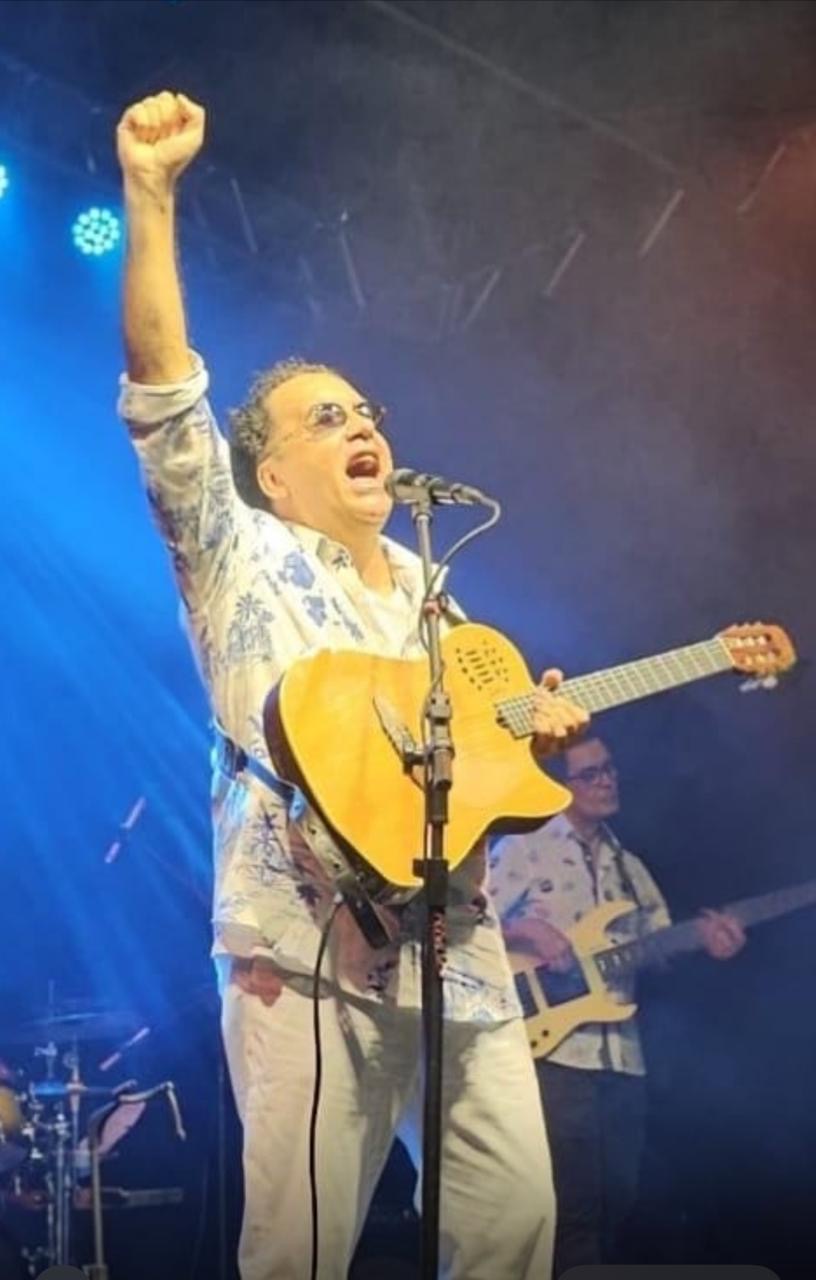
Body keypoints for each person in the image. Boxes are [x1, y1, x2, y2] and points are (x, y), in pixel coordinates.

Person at [115, 90, 591, 1280]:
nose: (362, 426)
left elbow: (476, 765)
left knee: (515, 1221)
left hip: (459, 948)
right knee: (301, 1250)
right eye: (327, 419)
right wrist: (150, 195)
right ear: (272, 471)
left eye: (367, 413)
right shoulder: (237, 550)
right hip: (305, 946)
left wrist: (532, 740)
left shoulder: (438, 592)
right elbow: (164, 396)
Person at [490, 734, 746, 1276]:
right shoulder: (523, 846)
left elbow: (658, 949)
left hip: (623, 1056)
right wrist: (527, 928)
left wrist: (705, 941)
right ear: (561, 786)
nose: (607, 780)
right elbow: (467, 924)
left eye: (609, 768)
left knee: (620, 1197)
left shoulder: (630, 866)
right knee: (573, 1200)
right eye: (591, 774)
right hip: (556, 1052)